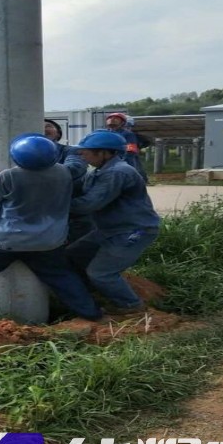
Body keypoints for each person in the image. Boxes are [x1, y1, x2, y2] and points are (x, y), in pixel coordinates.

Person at [0, 134, 103, 321]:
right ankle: (92, 314)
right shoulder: (63, 172)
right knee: (63, 278)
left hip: (5, 241)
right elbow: (76, 165)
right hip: (47, 241)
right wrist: (73, 150)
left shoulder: (8, 176)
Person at [65, 130, 161, 315]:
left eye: (86, 151)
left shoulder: (117, 172)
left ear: (104, 153)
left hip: (134, 231)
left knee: (102, 273)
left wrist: (50, 204)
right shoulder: (100, 171)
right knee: (74, 255)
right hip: (110, 229)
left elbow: (89, 204)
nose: (81, 154)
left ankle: (131, 306)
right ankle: (95, 293)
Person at [44, 118, 93, 242]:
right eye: (39, 125)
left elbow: (75, 169)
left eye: (48, 126)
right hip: (40, 214)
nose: (44, 128)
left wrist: (35, 176)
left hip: (71, 214)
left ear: (58, 134)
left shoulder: (72, 150)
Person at [105, 112, 148, 182]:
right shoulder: (104, 133)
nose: (112, 120)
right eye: (111, 119)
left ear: (122, 123)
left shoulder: (127, 134)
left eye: (116, 119)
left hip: (124, 160)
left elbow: (131, 150)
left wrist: (123, 162)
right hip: (107, 161)